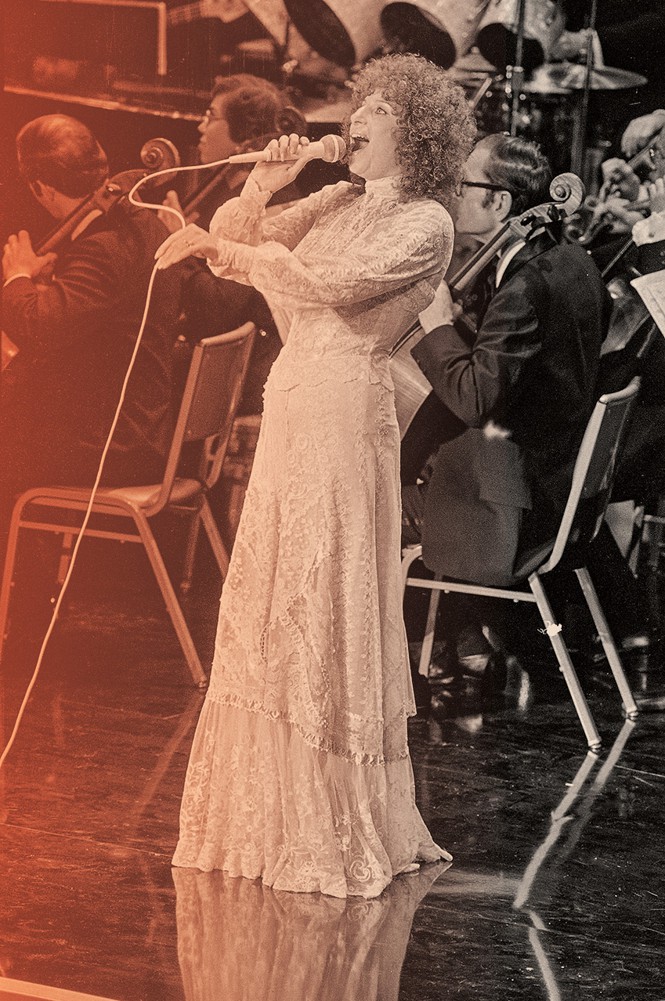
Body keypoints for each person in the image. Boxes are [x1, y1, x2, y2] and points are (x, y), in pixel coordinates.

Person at [155, 52, 476, 898]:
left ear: (412, 130)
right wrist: (269, 182)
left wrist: (238, 246)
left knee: (324, 587)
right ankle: (265, 810)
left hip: (344, 413)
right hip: (296, 399)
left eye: (372, 108)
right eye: (357, 104)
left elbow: (328, 286)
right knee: (273, 590)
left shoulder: (428, 224)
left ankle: (332, 815)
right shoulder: (338, 197)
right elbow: (237, 250)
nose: (353, 118)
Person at [404, 134, 612, 680]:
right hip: (562, 490)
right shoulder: (575, 264)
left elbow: (476, 398)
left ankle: (421, 649)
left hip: (515, 512)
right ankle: (464, 633)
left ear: (498, 202)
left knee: (387, 484)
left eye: (461, 185)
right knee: (425, 451)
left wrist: (439, 325)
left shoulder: (525, 287)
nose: (450, 195)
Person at [1, 114, 181, 563]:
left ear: (41, 188)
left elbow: (40, 330)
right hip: (135, 430)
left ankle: (18, 591)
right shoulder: (147, 225)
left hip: (108, 447)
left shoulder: (102, 247)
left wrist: (18, 277)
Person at [162, 74, 309, 415]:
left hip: (241, 375)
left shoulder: (269, 205)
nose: (201, 126)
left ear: (244, 137)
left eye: (211, 116)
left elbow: (217, 308)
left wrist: (177, 238)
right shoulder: (228, 190)